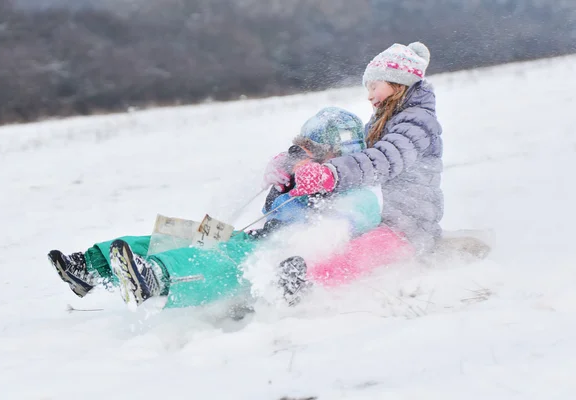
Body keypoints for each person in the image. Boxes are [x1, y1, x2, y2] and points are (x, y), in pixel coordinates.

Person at [48, 107, 384, 309]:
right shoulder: (297, 178)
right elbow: (240, 209)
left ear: (336, 154)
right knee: (182, 232)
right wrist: (274, 182)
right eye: (300, 149)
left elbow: (336, 238)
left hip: (271, 256)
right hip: (249, 234)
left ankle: (157, 276)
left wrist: (299, 263)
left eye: (310, 150)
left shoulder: (360, 197)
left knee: (214, 258)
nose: (300, 156)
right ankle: (92, 266)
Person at [276, 42, 443, 283]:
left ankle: (309, 284)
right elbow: (349, 154)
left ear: (397, 82)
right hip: (377, 218)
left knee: (353, 256)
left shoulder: (416, 123)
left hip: (408, 229)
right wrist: (293, 162)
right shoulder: (385, 120)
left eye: (374, 86)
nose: (369, 95)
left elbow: (381, 160)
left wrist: (329, 174)